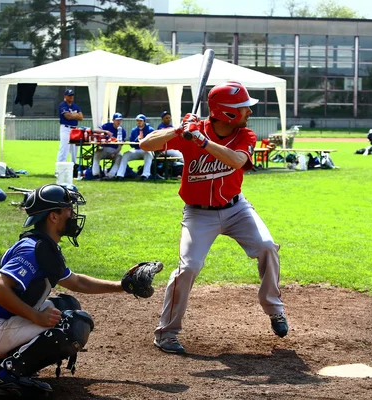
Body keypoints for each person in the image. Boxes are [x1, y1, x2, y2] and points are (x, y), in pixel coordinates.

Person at [139, 81, 288, 354]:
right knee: (188, 268)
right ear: (228, 113)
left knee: (267, 246)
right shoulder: (191, 132)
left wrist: (202, 141)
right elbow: (145, 144)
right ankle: (166, 333)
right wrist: (178, 130)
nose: (249, 112)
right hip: (198, 214)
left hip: (237, 209)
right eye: (244, 108)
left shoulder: (245, 135)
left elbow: (237, 161)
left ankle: (274, 309)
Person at [0, 184, 134, 398]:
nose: (73, 214)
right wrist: (35, 316)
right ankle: (7, 376)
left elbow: (78, 283)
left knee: (68, 306)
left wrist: (122, 286)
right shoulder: (31, 249)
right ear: (53, 217)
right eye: (68, 209)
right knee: (74, 325)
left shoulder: (44, 246)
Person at [111, 114, 154, 181]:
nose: (139, 122)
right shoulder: (134, 130)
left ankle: (145, 175)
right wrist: (137, 139)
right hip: (137, 150)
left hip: (146, 150)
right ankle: (120, 175)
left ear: (144, 122)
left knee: (149, 154)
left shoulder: (150, 130)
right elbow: (131, 144)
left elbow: (152, 142)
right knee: (126, 154)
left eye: (141, 121)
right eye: (137, 121)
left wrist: (144, 139)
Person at [90, 112, 126, 179]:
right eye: (117, 120)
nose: (119, 122)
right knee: (96, 154)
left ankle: (110, 176)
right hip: (105, 149)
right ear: (113, 120)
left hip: (115, 150)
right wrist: (105, 131)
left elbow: (120, 146)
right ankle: (96, 175)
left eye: (120, 120)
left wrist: (115, 153)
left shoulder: (122, 131)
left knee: (120, 157)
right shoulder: (107, 126)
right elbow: (95, 130)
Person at [57, 89, 83, 166]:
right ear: (65, 96)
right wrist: (75, 115)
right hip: (66, 128)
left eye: (72, 95)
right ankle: (60, 167)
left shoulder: (75, 106)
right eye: (69, 95)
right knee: (64, 148)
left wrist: (73, 115)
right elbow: (67, 116)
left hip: (75, 129)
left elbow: (81, 117)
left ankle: (74, 167)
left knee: (74, 149)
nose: (71, 97)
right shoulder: (63, 105)